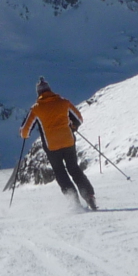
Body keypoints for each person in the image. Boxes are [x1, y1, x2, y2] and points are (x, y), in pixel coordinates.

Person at [20, 77, 96, 210]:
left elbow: (25, 132)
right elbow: (79, 118)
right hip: (68, 141)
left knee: (60, 172)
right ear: (50, 90)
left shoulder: (36, 109)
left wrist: (24, 133)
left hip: (52, 146)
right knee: (74, 168)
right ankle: (89, 196)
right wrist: (72, 127)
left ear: (38, 93)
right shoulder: (63, 102)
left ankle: (74, 202)